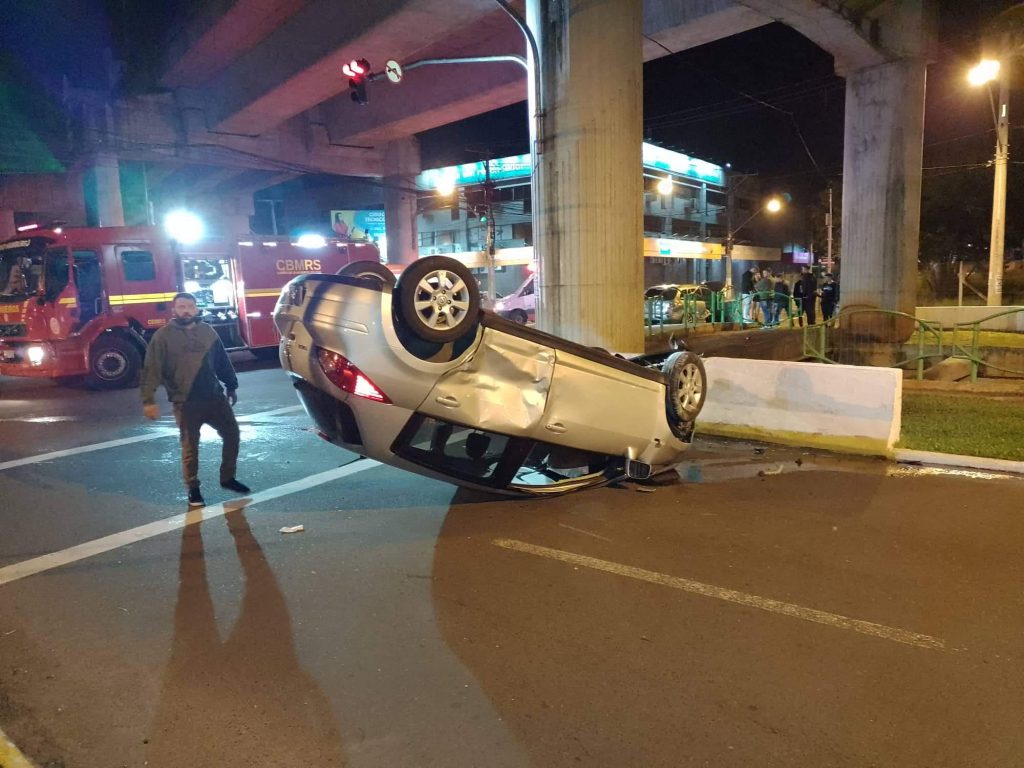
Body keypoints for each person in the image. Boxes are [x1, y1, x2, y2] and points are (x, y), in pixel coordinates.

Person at [141, 292, 250, 507]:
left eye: (190, 306)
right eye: (181, 306)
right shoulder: (163, 336)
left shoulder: (207, 332)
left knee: (232, 434)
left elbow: (221, 361)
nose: (186, 310)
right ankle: (193, 489)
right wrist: (148, 400)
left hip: (214, 397)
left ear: (197, 309)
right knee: (190, 447)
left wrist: (231, 385)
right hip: (185, 401)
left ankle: (227, 478)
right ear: (174, 310)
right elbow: (152, 368)